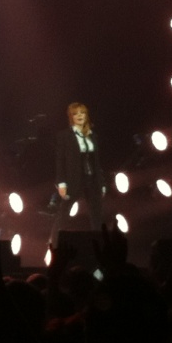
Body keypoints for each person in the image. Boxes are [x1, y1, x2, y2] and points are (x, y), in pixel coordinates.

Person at [52, 102, 106, 244]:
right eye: (75, 113)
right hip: (74, 180)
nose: (79, 116)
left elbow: (97, 162)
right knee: (63, 214)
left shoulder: (92, 135)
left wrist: (101, 182)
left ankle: (99, 247)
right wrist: (61, 183)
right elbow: (60, 161)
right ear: (71, 117)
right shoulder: (64, 136)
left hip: (92, 180)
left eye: (82, 113)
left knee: (97, 217)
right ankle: (54, 244)